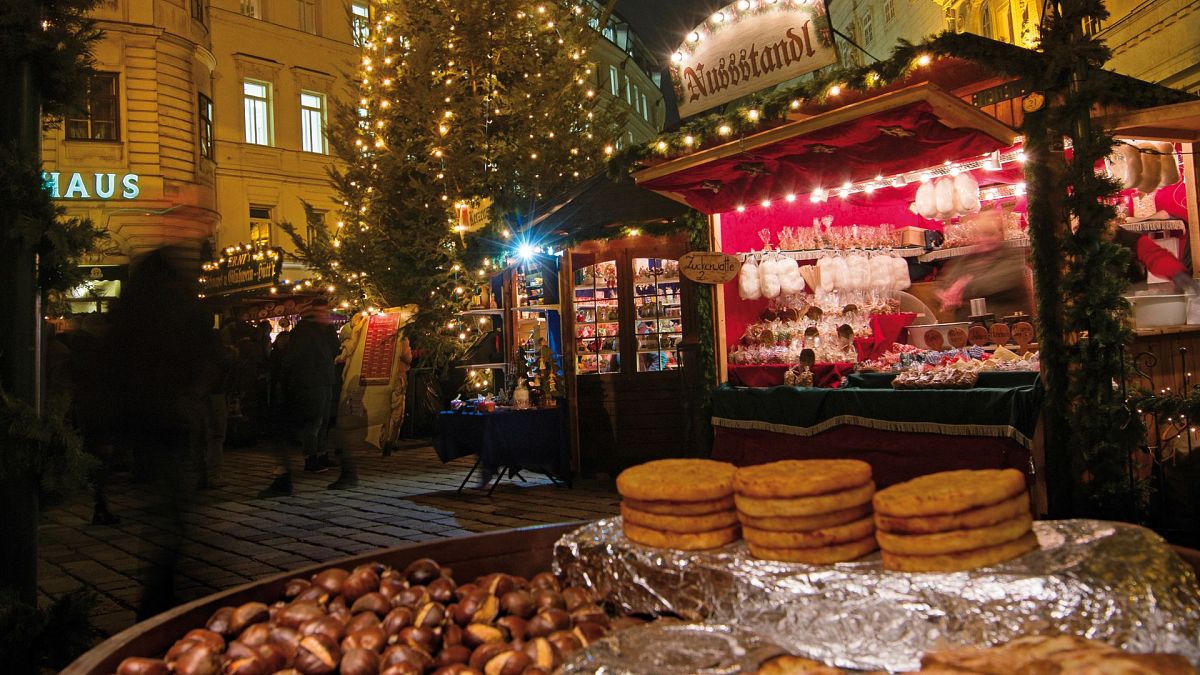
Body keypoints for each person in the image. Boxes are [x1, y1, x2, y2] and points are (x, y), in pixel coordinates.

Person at [259, 300, 339, 496]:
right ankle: (309, 458)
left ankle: (319, 454)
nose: (327, 315)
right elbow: (297, 359)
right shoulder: (304, 333)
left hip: (323, 380)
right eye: (323, 312)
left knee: (323, 420)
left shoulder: (322, 332)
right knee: (314, 420)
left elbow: (333, 350)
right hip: (310, 382)